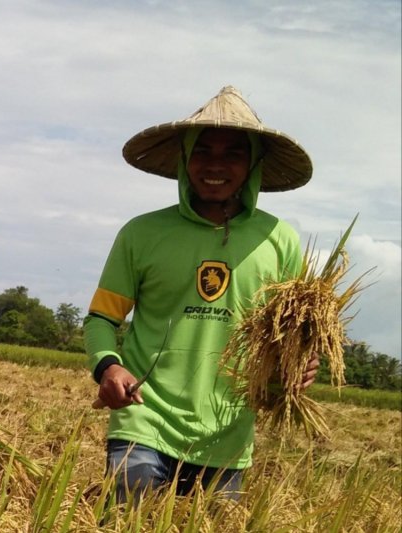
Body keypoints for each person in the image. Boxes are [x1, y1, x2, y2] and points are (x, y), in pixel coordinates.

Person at [84, 86, 320, 503]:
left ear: (253, 165)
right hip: (144, 417)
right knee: (129, 509)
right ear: (183, 159)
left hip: (227, 433)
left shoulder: (279, 240)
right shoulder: (141, 234)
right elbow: (102, 318)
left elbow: (297, 334)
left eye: (233, 153)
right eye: (202, 151)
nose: (215, 165)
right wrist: (108, 368)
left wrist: (301, 365)